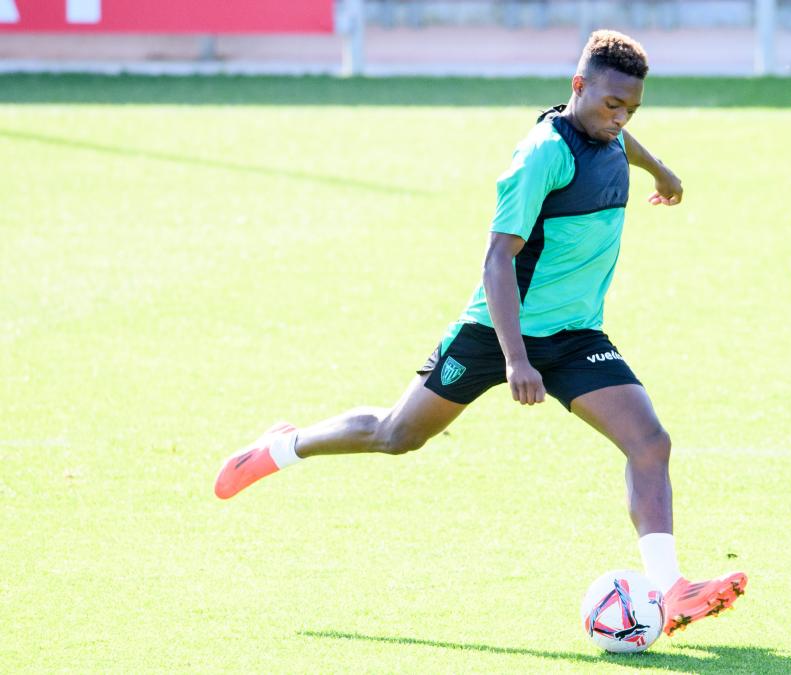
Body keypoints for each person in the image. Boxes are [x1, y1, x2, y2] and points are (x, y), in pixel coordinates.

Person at [214, 29, 746, 635]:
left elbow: (621, 142)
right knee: (398, 434)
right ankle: (283, 447)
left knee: (650, 442)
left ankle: (670, 587)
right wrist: (516, 360)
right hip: (498, 330)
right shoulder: (542, 154)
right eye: (611, 105)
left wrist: (661, 171)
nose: (620, 119)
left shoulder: (608, 130)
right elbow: (497, 260)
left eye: (632, 109)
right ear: (579, 88)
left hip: (575, 336)